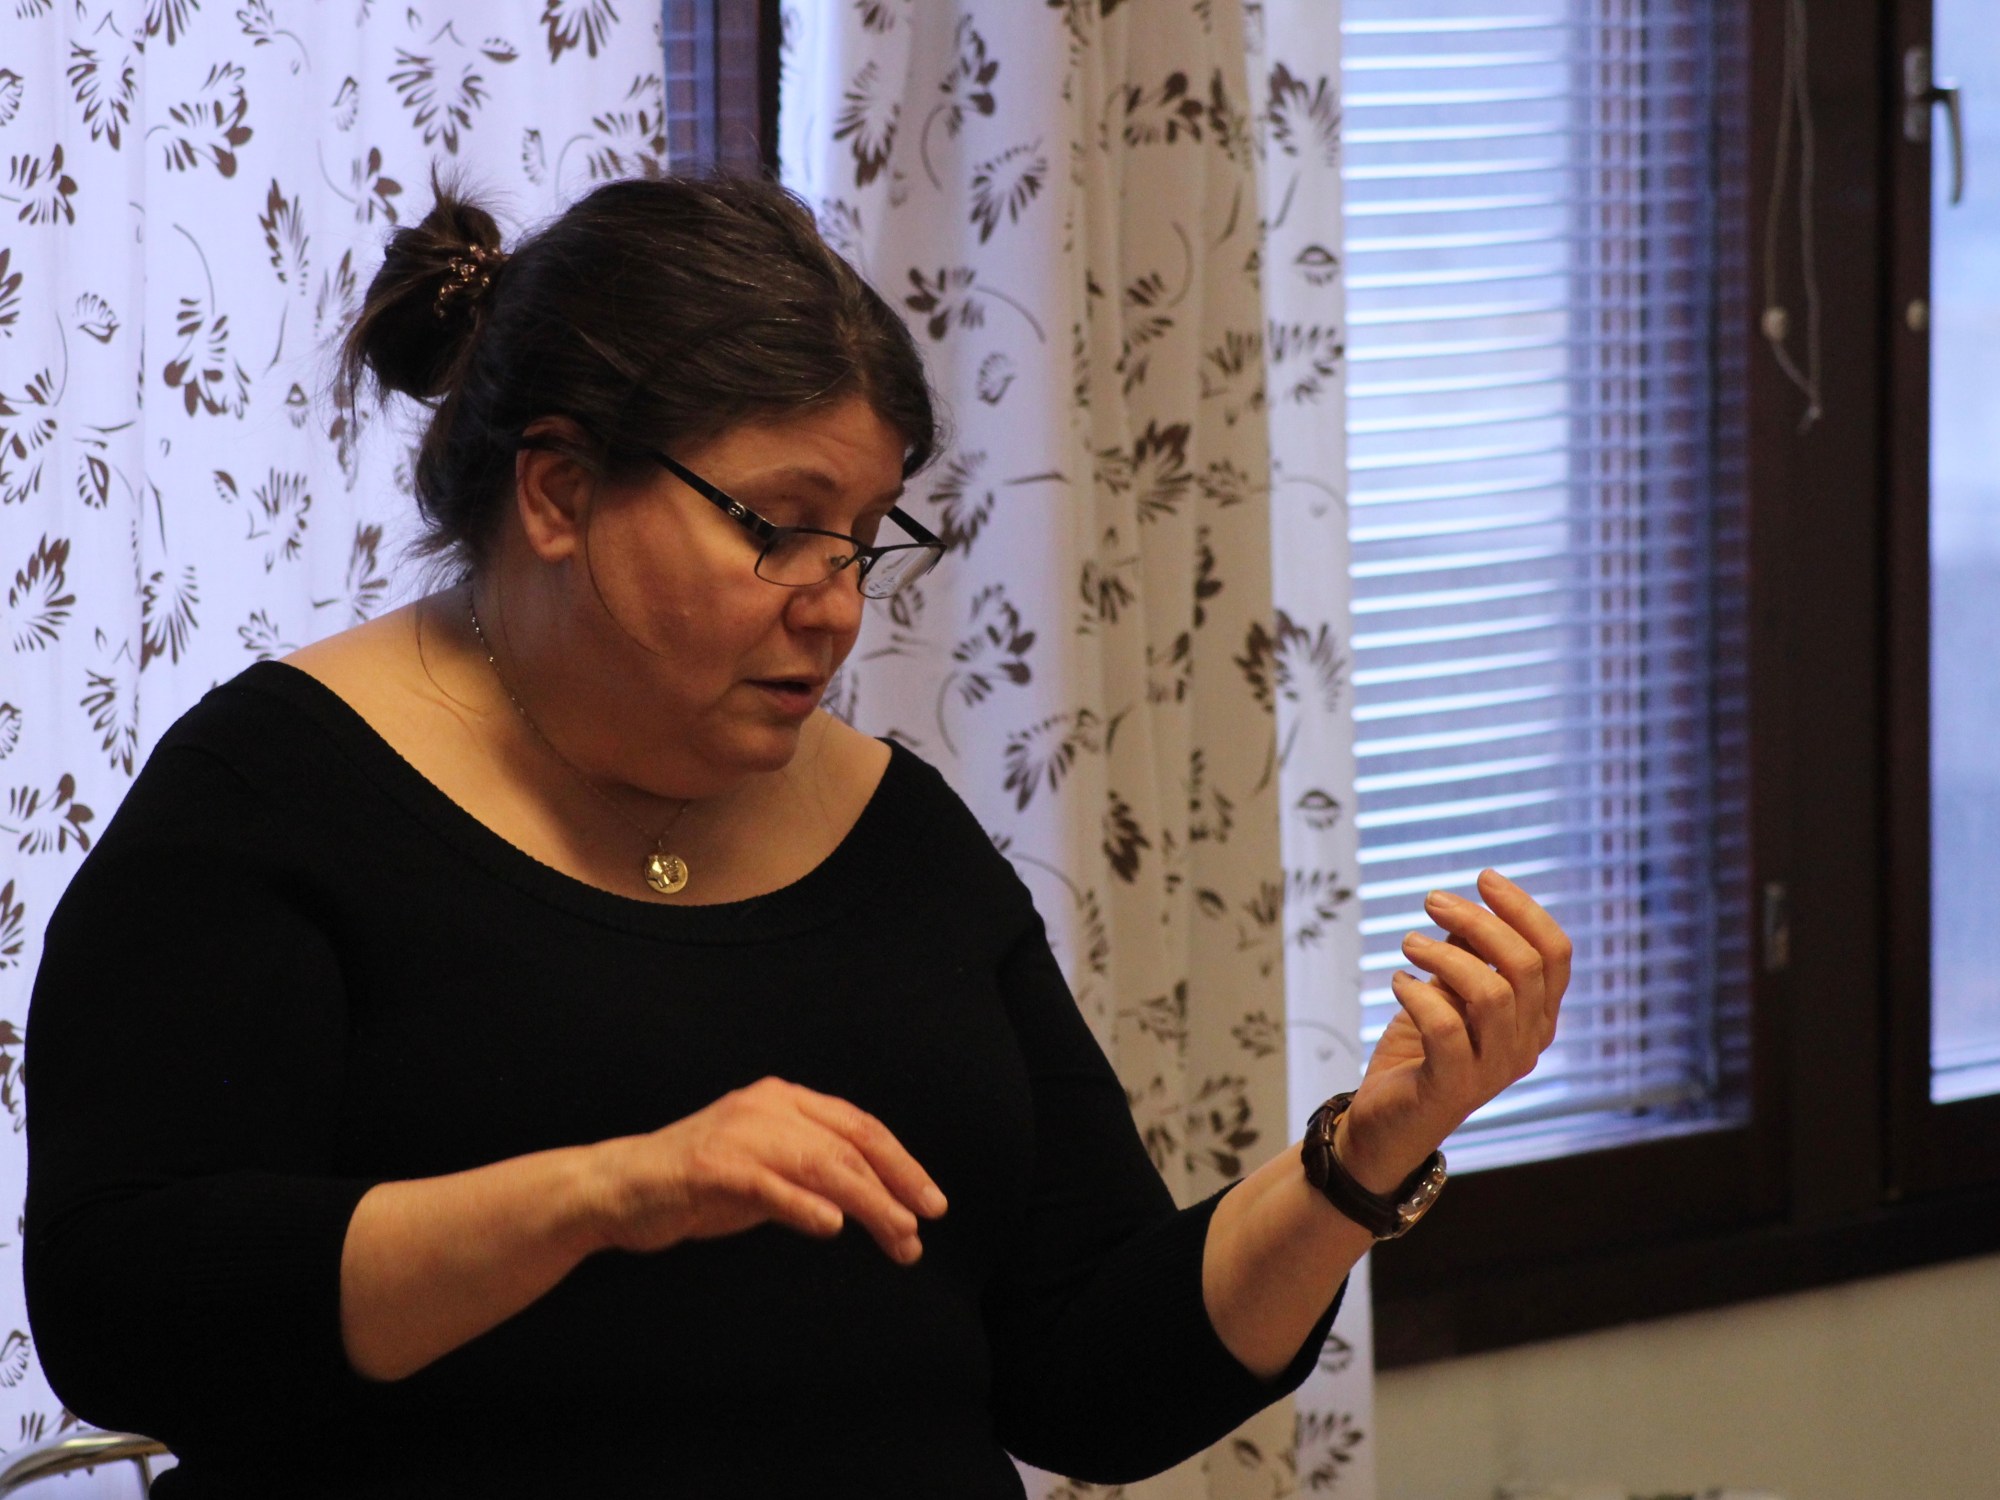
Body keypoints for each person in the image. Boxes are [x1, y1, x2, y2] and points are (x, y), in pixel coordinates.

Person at [23, 175, 1571, 1498]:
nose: (833, 605)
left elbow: (1093, 1376)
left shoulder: (893, 833)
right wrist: (609, 1191)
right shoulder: (273, 800)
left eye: (863, 538)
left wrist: (1363, 1160)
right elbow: (133, 1317)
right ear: (557, 489)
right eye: (774, 525)